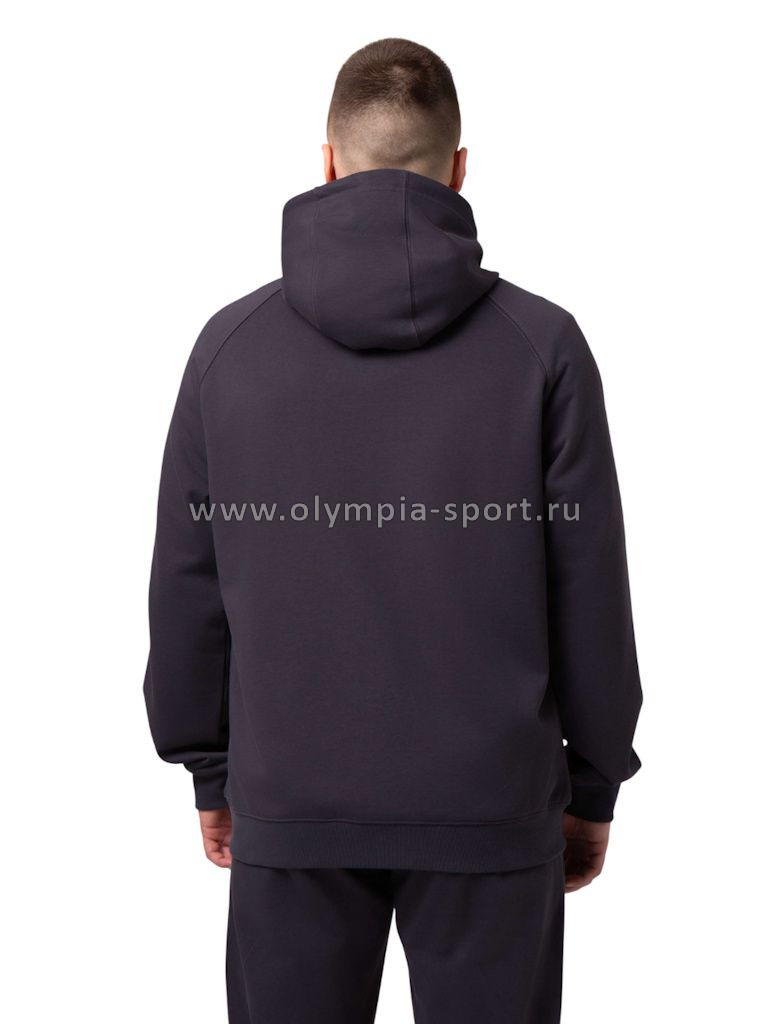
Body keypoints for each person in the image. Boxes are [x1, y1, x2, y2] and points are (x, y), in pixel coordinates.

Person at [144, 37, 642, 1023]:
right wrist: (595, 783)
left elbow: (189, 582)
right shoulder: (541, 347)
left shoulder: (230, 349)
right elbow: (588, 585)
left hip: (291, 805)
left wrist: (212, 768)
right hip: (492, 812)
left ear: (328, 161)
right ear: (458, 169)